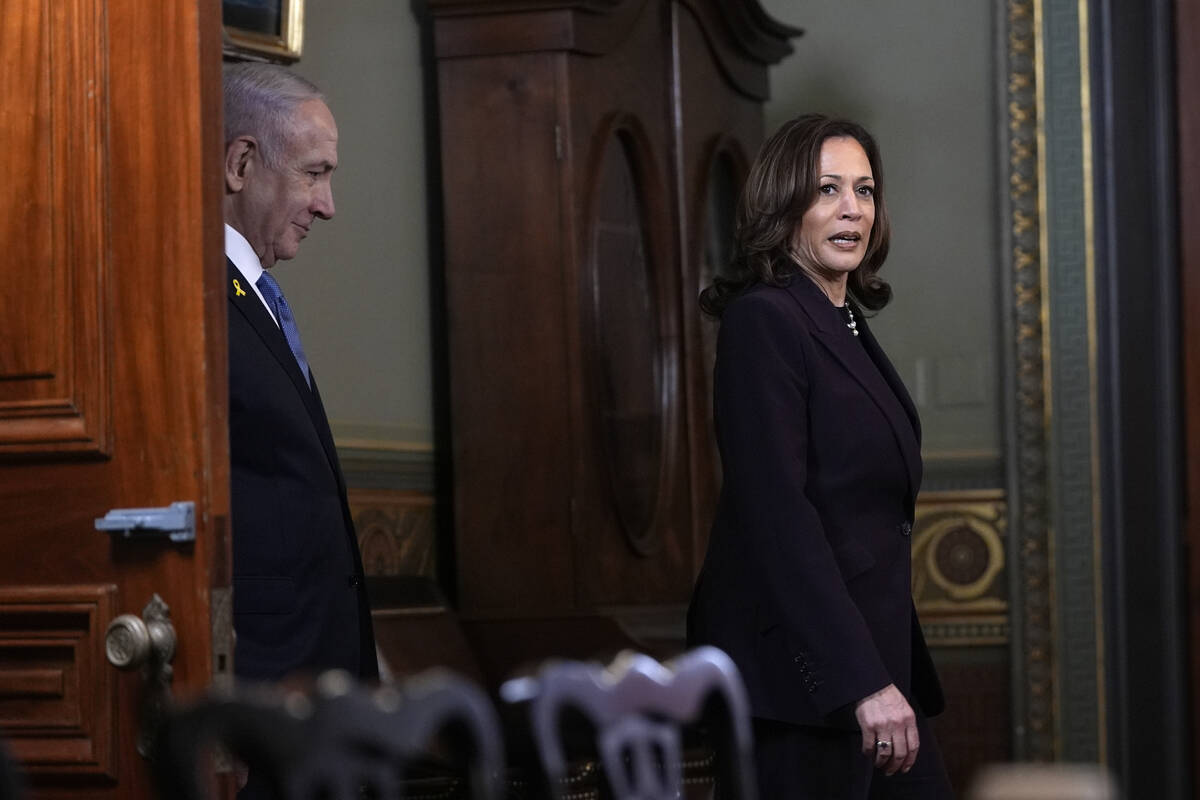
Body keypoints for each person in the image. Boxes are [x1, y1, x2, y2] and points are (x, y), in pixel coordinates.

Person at [686, 114, 954, 799]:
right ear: (784, 206)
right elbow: (779, 517)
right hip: (803, 685)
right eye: (827, 189)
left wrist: (877, 674)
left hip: (872, 664)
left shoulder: (844, 318)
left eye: (864, 191)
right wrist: (859, 679)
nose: (851, 209)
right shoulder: (765, 319)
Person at [222, 63, 378, 687]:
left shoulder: (256, 291)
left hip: (313, 674)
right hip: (260, 676)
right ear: (240, 164)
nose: (328, 206)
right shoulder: (188, 296)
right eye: (313, 174)